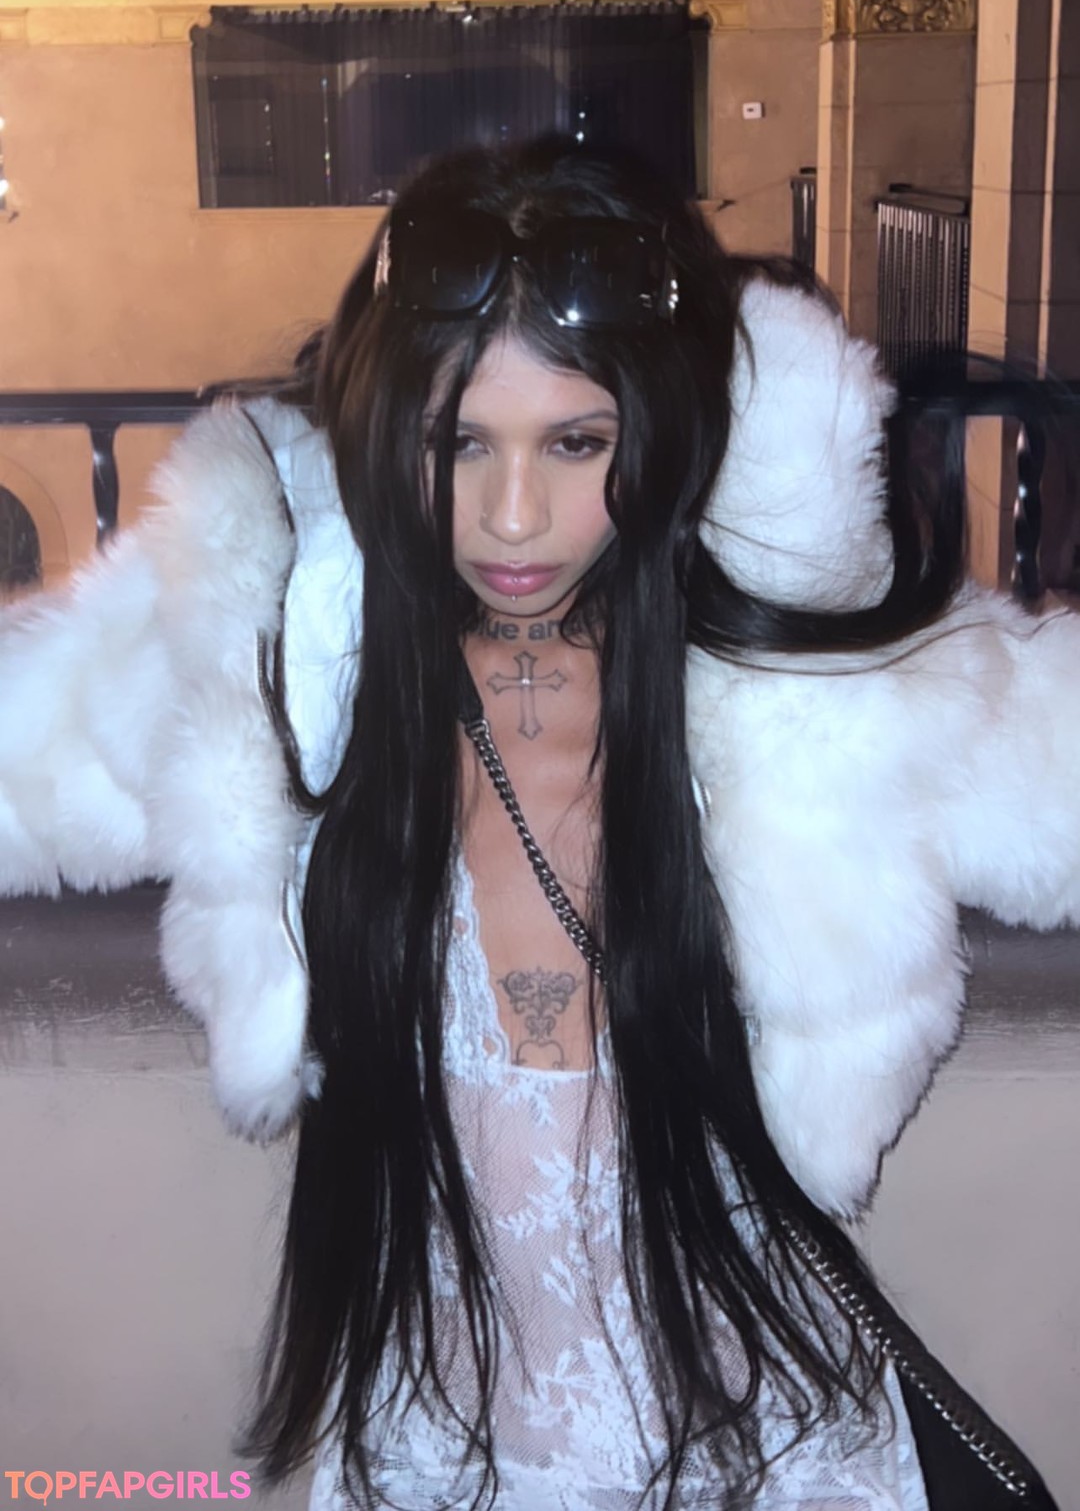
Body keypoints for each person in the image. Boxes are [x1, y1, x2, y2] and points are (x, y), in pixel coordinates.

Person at [0, 133, 1075, 1511]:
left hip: (765, 1447)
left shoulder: (816, 702)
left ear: (660, 432)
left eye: (577, 442)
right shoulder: (282, 665)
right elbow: (31, 753)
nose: (513, 519)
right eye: (458, 442)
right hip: (435, 1445)